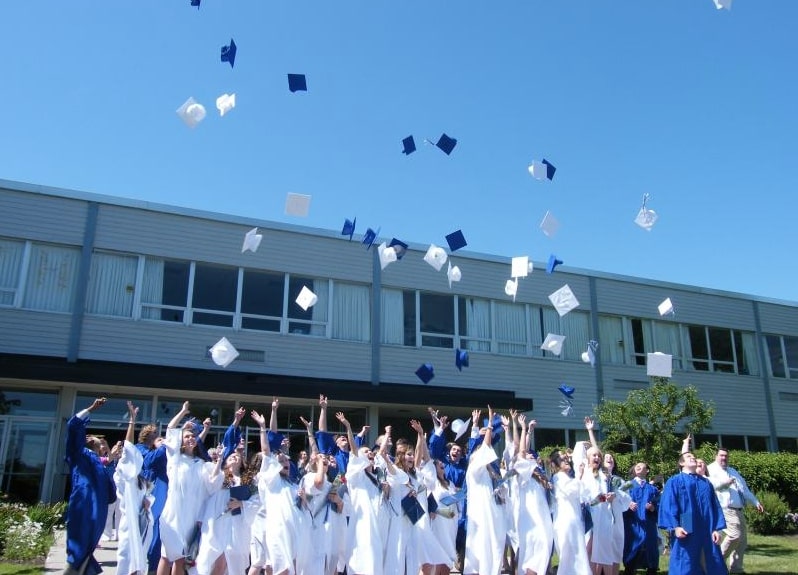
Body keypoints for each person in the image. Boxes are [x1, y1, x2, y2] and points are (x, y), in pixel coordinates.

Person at [156, 402, 219, 575]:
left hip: (191, 517)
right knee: (168, 555)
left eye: (193, 436)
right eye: (186, 436)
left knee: (181, 556)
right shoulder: (175, 458)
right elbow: (170, 429)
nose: (191, 438)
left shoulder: (201, 464)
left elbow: (212, 483)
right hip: (173, 514)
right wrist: (183, 412)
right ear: (181, 442)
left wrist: (219, 461)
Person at [64, 397, 119, 575]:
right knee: (79, 545)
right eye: (96, 437)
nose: (99, 440)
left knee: (88, 545)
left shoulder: (98, 461)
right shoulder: (78, 454)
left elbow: (110, 488)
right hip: (84, 504)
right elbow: (73, 426)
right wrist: (91, 408)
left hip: (99, 508)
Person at [658, 452, 727, 575]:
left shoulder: (705, 482)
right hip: (687, 521)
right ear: (681, 463)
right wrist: (676, 526)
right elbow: (669, 505)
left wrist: (717, 529)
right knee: (686, 561)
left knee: (711, 561)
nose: (693, 458)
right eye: (689, 457)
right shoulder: (675, 481)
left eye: (694, 457)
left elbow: (715, 506)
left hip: (707, 526)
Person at [707, 448, 764, 574]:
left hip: (738, 510)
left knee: (742, 541)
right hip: (725, 508)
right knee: (734, 536)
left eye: (726, 456)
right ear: (715, 456)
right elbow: (710, 485)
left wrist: (756, 502)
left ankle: (736, 569)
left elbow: (744, 490)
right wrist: (724, 483)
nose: (724, 458)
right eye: (721, 455)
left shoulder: (733, 471)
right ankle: (716, 561)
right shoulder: (710, 469)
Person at [115, 401, 154, 575]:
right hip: (128, 522)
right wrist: (132, 420)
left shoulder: (141, 480)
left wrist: (148, 501)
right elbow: (128, 447)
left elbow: (148, 495)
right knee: (126, 555)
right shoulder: (124, 477)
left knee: (140, 557)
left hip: (142, 521)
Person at [622, 462, 659, 575]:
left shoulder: (653, 489)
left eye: (641, 465)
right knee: (632, 548)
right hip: (632, 523)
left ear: (647, 470)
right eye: (636, 465)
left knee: (651, 549)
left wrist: (653, 508)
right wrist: (627, 503)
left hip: (648, 525)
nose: (638, 466)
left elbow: (659, 505)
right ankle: (629, 569)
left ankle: (652, 569)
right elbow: (618, 496)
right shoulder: (628, 485)